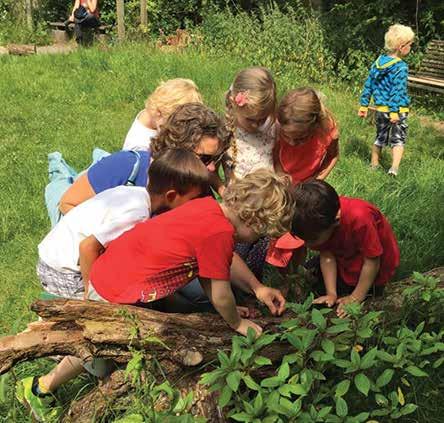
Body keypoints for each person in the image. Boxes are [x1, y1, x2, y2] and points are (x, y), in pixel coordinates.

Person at [17, 169, 293, 421]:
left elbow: (212, 272)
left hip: (120, 272)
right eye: (259, 234)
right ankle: (40, 387)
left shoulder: (207, 209)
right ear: (252, 221)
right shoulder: (218, 234)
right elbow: (220, 291)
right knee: (94, 350)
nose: (254, 240)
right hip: (117, 289)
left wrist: (255, 289)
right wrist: (236, 323)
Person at [37, 149, 209, 301]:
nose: (195, 205)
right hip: (64, 272)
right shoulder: (137, 213)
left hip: (56, 259)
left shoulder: (135, 192)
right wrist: (90, 296)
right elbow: (87, 247)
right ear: (171, 196)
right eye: (192, 200)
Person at [59, 103, 231, 215]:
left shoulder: (198, 190)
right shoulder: (125, 167)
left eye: (217, 159)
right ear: (177, 146)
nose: (212, 169)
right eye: (205, 158)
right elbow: (68, 203)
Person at [291, 179, 400, 318]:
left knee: (366, 298)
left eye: (311, 240)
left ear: (335, 222)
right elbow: (327, 254)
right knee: (313, 277)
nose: (307, 244)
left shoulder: (360, 218)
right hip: (344, 255)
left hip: (374, 266)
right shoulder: (317, 219)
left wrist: (356, 297)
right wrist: (331, 293)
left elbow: (372, 261)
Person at [358, 24, 415, 177]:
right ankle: (394, 169)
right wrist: (395, 111)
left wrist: (364, 105)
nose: (411, 47)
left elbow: (369, 84)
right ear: (402, 47)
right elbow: (397, 90)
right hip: (397, 111)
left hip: (381, 110)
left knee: (380, 137)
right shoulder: (401, 67)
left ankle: (374, 164)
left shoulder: (378, 63)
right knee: (398, 140)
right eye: (410, 44)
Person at [275, 87, 339, 184]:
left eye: (300, 138)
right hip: (278, 180)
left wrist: (317, 180)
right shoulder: (276, 125)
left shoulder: (326, 131)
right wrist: (279, 174)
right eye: (286, 136)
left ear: (315, 126)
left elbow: (333, 156)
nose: (292, 143)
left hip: (304, 185)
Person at [122, 78, 202, 152]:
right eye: (173, 125)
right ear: (158, 112)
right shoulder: (141, 147)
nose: (177, 130)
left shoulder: (152, 113)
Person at [225, 66, 277, 179]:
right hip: (238, 195)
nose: (256, 125)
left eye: (262, 119)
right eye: (250, 119)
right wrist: (223, 190)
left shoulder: (273, 127)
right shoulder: (225, 132)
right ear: (233, 102)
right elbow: (211, 171)